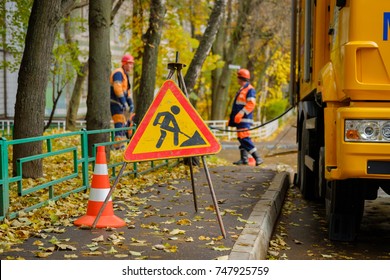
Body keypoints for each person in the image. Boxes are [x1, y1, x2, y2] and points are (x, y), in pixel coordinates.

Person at [228, 68, 263, 166]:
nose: (237, 79)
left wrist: (241, 113)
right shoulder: (242, 90)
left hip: (244, 118)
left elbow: (251, 103)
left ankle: (257, 157)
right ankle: (244, 159)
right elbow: (236, 106)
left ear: (241, 78)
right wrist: (232, 118)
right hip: (239, 119)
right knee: (240, 138)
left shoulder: (250, 89)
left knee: (244, 138)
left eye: (238, 77)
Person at [110, 54, 134, 149]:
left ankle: (120, 144)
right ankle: (118, 146)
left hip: (119, 103)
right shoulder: (118, 73)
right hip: (115, 102)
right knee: (119, 122)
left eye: (132, 64)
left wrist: (130, 103)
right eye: (129, 64)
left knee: (123, 123)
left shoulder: (125, 75)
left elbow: (126, 91)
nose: (131, 66)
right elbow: (117, 88)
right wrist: (124, 102)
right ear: (124, 64)